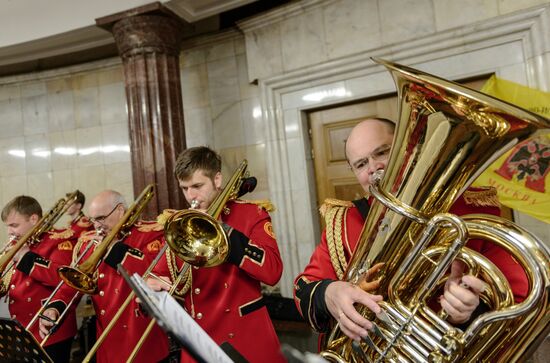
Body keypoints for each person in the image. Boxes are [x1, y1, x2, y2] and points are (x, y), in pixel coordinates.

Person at [294, 118, 529, 342]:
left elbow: (518, 295)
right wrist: (329, 293)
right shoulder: (344, 222)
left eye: (382, 152)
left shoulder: (467, 209)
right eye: (361, 164)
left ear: (409, 148)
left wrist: (471, 311)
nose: (374, 168)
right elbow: (304, 288)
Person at [149, 146, 286, 363]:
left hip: (245, 338)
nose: (191, 196)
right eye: (184, 188)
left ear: (218, 179)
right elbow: (160, 275)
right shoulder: (180, 224)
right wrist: (152, 287)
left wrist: (228, 234)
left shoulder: (251, 214)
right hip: (199, 338)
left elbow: (273, 271)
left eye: (197, 186)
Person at [38, 190, 170, 363]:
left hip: (145, 345)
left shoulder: (150, 234)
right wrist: (54, 308)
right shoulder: (88, 243)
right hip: (108, 346)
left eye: (101, 218)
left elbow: (156, 275)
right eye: (93, 220)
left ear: (120, 210)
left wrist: (116, 249)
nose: (96, 226)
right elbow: (71, 283)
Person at [1, 195, 79, 362]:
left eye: (14, 225)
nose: (9, 232)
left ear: (34, 219)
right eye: (8, 226)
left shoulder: (60, 239)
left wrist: (25, 257)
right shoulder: (19, 244)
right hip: (22, 328)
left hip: (50, 330)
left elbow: (63, 278)